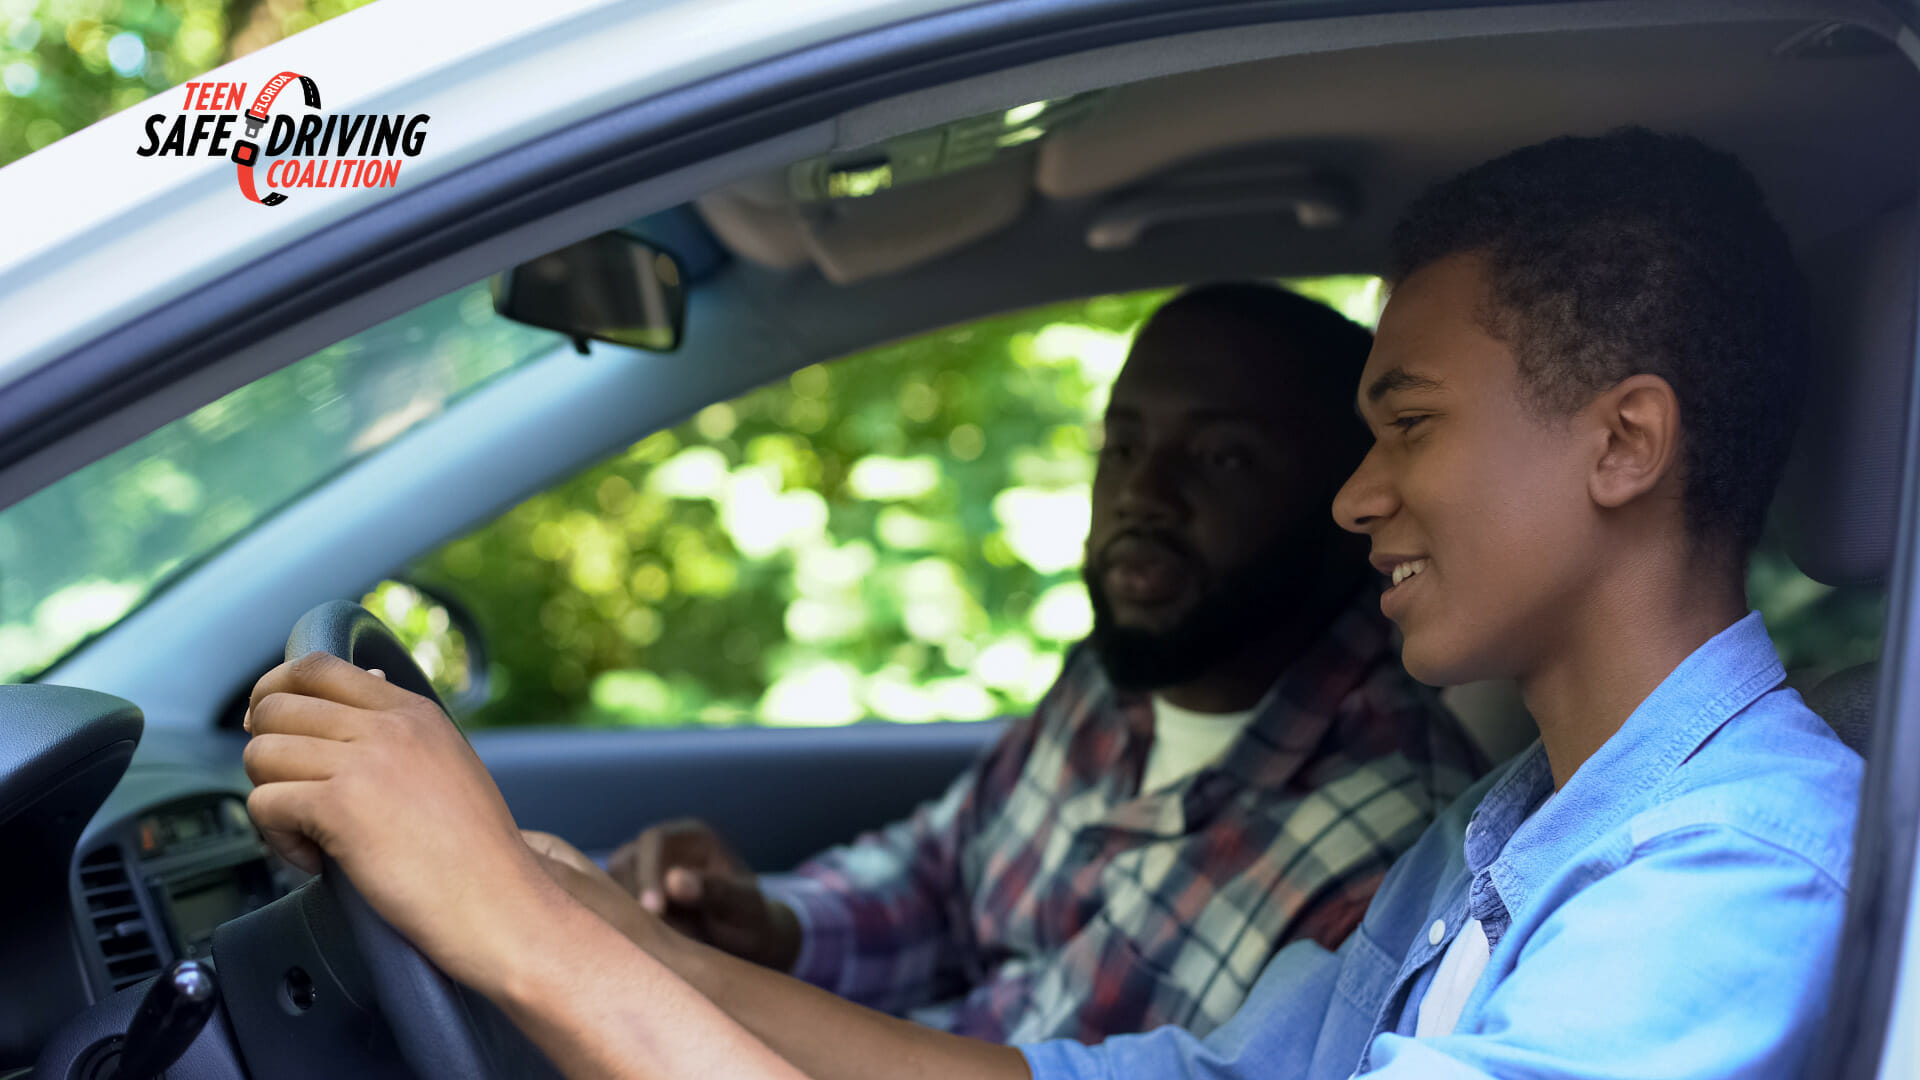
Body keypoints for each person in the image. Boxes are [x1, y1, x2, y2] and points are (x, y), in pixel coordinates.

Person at [240, 127, 1863, 1080]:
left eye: (1406, 424)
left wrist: (513, 938)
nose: (1357, 494)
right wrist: (598, 926)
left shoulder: (1734, 874)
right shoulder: (1512, 834)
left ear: (1624, 443)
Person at [596, 283, 1483, 1046]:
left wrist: (695, 1006)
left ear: (1353, 504)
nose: (1143, 494)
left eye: (1221, 458)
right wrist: (773, 931)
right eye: (1123, 446)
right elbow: (943, 873)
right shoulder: (1119, 676)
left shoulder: (1392, 842)